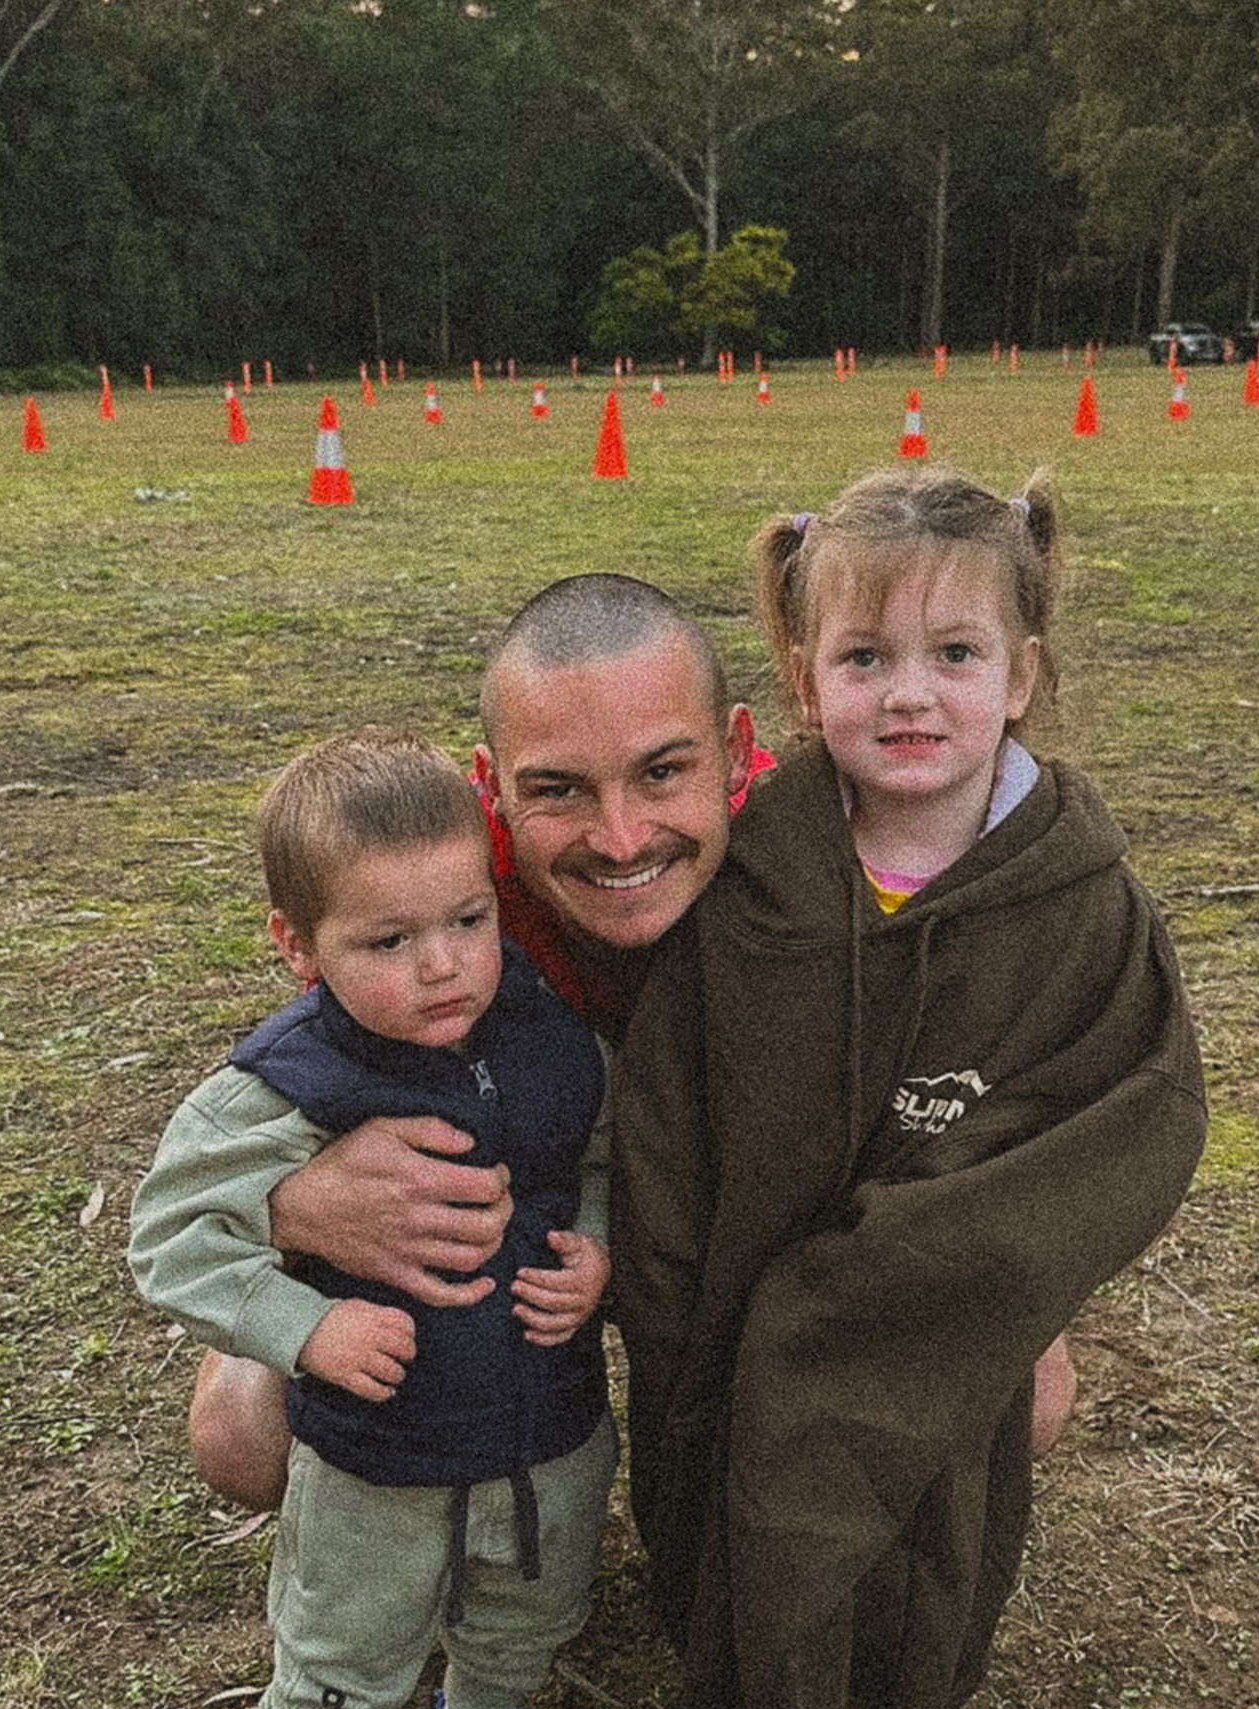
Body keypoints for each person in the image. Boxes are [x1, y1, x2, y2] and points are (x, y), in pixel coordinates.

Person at [610, 468, 1208, 1709]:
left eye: (955, 655)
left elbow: (1126, 1103)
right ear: (801, 678)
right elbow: (677, 1094)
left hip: (947, 1291)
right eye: (863, 658)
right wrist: (684, 1286)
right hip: (750, 1288)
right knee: (747, 1470)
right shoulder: (752, 882)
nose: (909, 695)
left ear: (1023, 671)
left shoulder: (1076, 902)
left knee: (940, 1487)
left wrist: (970, 1265)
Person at [184, 576, 1078, 1519]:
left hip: (737, 1235)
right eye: (559, 791)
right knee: (243, 1435)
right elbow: (303, 1069)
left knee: (1027, 1399)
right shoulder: (441, 900)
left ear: (736, 754)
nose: (619, 840)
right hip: (520, 1241)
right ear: (489, 786)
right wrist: (293, 1202)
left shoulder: (834, 879)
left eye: (661, 773)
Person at [129, 733, 618, 1709]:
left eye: (466, 919)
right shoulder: (287, 1083)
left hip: (546, 1421)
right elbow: (170, 1236)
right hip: (374, 1452)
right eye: (385, 943)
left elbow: (601, 1157)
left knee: (530, 1600)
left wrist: (598, 1251)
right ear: (296, 946)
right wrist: (305, 1326)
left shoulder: (548, 1034)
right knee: (343, 1633)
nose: (442, 964)